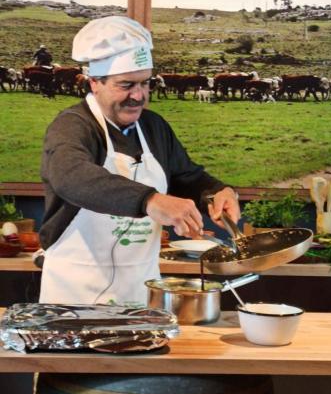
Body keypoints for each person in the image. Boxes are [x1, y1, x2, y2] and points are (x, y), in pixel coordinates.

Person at [39, 16, 240, 305]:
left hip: (140, 290)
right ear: (95, 83)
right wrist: (150, 201)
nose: (139, 96)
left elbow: (188, 178)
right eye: (126, 85)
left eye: (145, 84)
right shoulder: (72, 125)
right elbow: (72, 177)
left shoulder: (154, 126)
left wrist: (216, 192)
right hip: (74, 295)